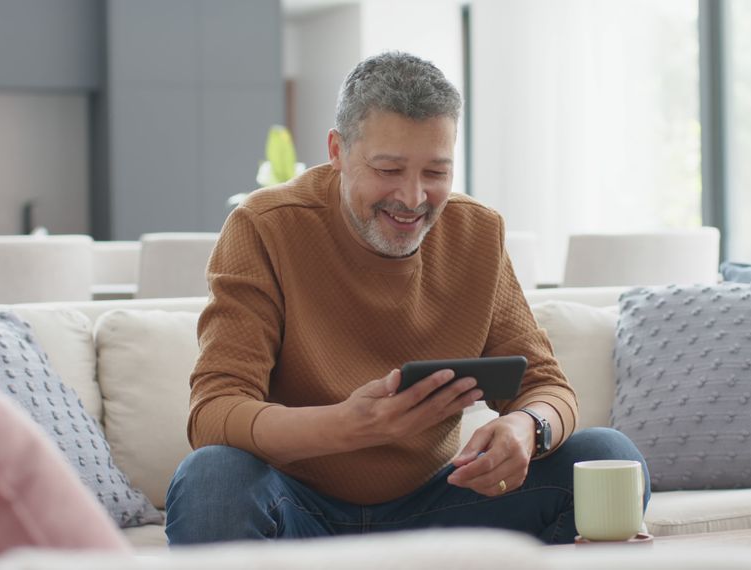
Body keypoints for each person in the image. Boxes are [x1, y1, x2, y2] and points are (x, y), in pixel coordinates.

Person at [165, 51, 649, 545]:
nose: (414, 197)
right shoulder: (265, 226)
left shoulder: (477, 234)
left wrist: (528, 428)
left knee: (610, 454)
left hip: (443, 502)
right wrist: (346, 427)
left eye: (435, 173)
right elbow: (214, 413)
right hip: (296, 507)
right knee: (212, 478)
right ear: (337, 151)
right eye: (389, 169)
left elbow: (548, 388)